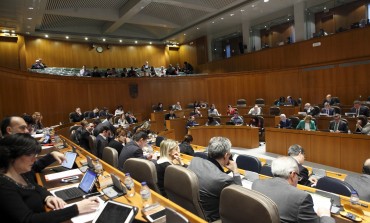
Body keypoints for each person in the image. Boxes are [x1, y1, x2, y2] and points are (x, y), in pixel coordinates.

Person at [0, 133, 99, 223]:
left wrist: (47, 197)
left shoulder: (22, 172)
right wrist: (77, 209)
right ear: (12, 156)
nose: (35, 159)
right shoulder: (4, 186)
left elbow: (35, 187)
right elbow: (28, 220)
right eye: (30, 155)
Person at [252, 156, 334, 223]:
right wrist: (325, 215)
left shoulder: (256, 184)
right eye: (298, 177)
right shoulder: (301, 197)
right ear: (293, 174)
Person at [188, 137, 242, 222]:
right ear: (226, 155)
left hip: (190, 211)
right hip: (212, 218)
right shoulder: (223, 179)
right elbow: (240, 197)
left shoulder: (195, 161)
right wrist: (235, 170)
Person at [0, 116, 66, 172]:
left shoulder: (15, 146)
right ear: (9, 130)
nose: (27, 131)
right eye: (22, 128)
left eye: (26, 127)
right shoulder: (4, 153)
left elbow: (34, 167)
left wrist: (52, 155)